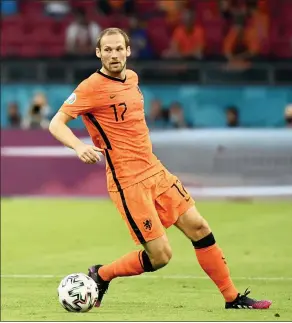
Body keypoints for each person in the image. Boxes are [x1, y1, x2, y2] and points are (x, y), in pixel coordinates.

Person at [49, 28, 272, 310]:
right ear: (98, 53)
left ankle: (232, 298)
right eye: (108, 50)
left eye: (119, 49)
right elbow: (56, 123)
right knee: (160, 256)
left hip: (156, 171)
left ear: (128, 51)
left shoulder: (132, 78)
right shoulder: (90, 87)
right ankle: (102, 274)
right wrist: (79, 147)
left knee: (200, 227)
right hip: (128, 182)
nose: (114, 54)